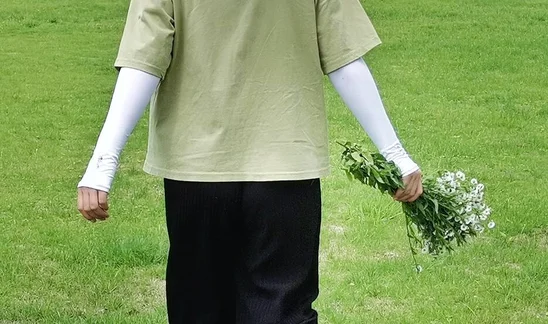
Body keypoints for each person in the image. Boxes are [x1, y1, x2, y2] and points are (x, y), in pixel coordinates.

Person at [77, 0, 424, 322]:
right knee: (283, 310)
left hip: (197, 168)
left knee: (198, 307)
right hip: (285, 166)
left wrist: (103, 164)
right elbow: (345, 59)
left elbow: (143, 61)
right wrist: (394, 154)